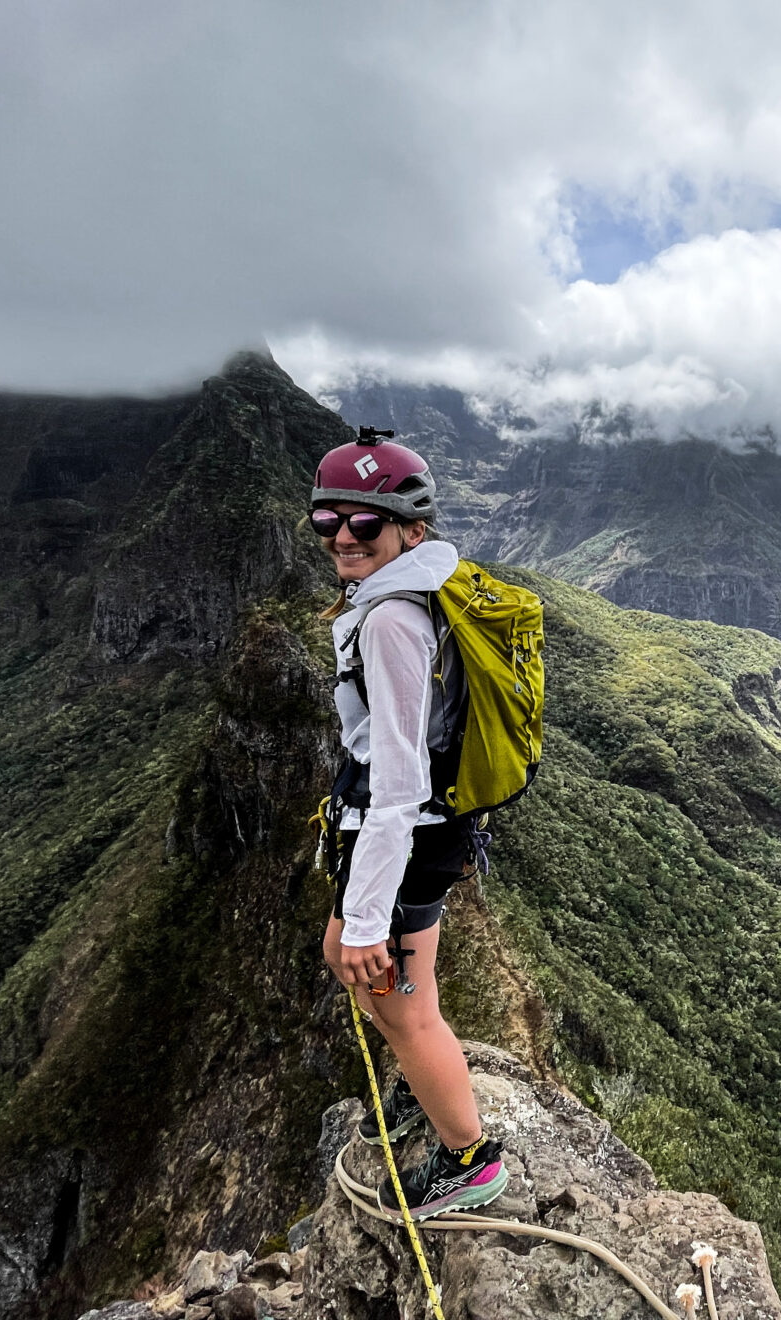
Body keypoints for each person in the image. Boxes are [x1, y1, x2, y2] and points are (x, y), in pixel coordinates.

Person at [310, 428, 506, 1218]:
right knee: (344, 957)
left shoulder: (393, 621)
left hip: (410, 833)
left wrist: (367, 917)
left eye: (364, 523)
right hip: (407, 828)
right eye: (329, 521)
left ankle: (469, 1160)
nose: (343, 538)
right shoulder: (417, 587)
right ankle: (424, 1086)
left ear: (410, 531)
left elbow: (397, 782)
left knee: (403, 1005)